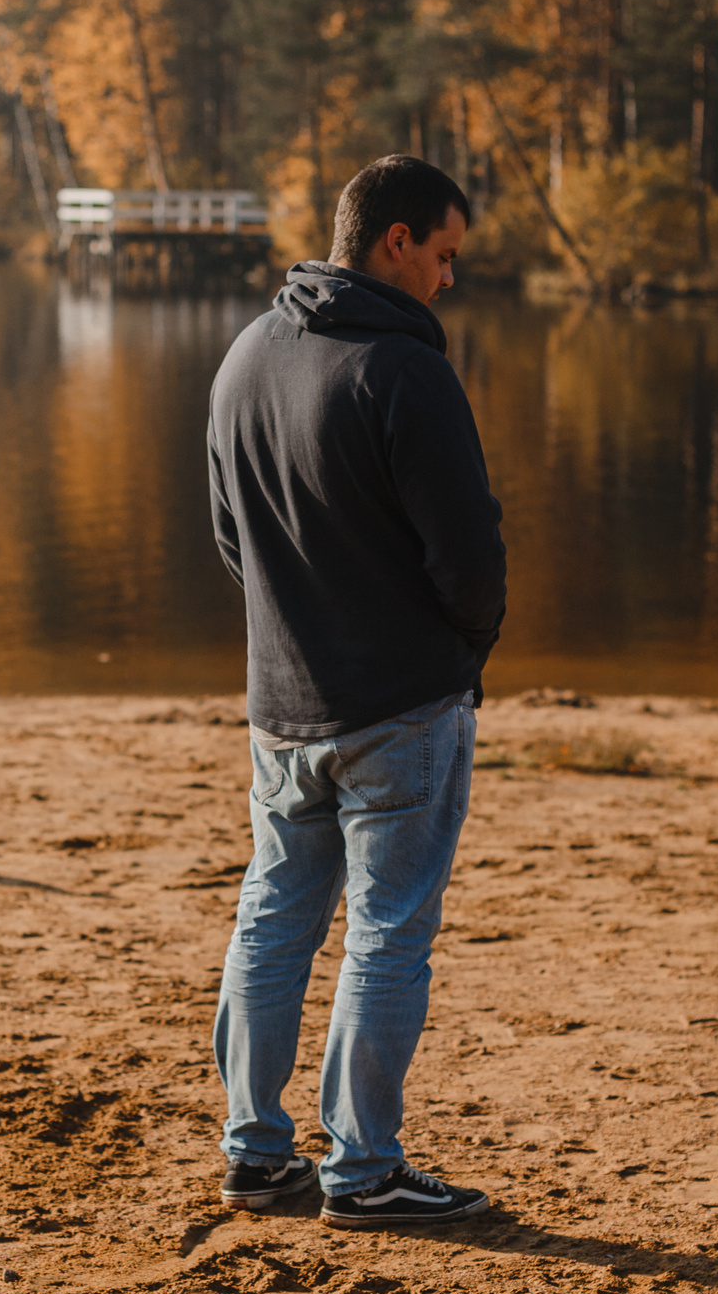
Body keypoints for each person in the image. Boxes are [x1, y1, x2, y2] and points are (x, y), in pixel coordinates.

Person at [204, 154, 506, 1230]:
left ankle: (255, 1153)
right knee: (386, 933)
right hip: (401, 708)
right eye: (443, 254)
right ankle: (364, 1169)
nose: (448, 278)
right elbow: (468, 556)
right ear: (393, 242)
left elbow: (233, 541)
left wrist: (300, 622)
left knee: (272, 919)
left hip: (280, 708)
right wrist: (462, 651)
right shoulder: (404, 371)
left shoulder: (245, 356)